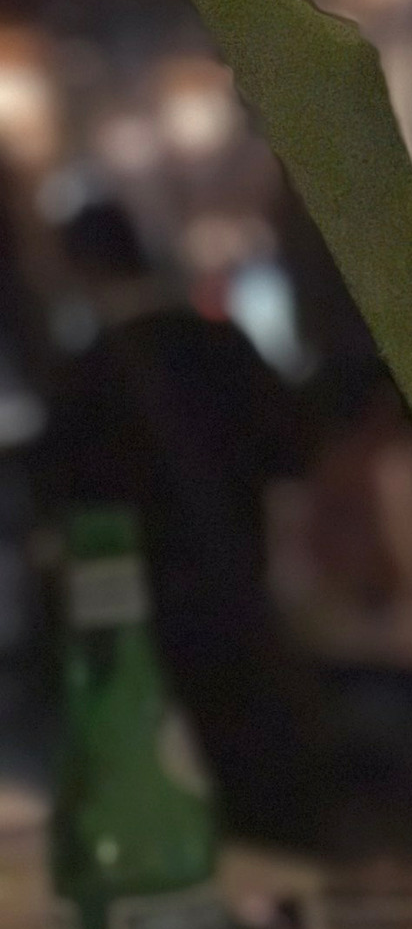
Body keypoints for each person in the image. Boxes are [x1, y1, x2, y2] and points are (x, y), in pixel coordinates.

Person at [31, 200, 339, 846]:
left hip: (153, 617)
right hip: (247, 591)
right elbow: (294, 449)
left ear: (79, 269)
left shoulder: (84, 378)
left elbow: (63, 512)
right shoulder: (218, 342)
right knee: (269, 775)